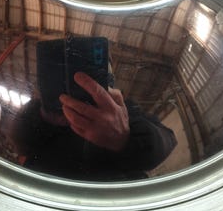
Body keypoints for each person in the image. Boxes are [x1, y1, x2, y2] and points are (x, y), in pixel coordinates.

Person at [16, 72, 177, 181]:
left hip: (124, 207)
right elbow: (22, 150)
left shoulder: (118, 109)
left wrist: (125, 138)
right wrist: (45, 115)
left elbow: (169, 139)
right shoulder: (37, 112)